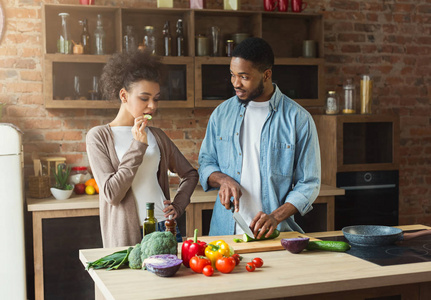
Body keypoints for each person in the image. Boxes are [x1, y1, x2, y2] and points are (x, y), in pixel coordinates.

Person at [198, 37, 321, 239]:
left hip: (276, 235)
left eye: (244, 77)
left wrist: (275, 217)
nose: (235, 83)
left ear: (266, 75)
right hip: (224, 236)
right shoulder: (221, 114)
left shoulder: (299, 119)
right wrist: (223, 179)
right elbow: (205, 163)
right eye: (232, 75)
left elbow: (309, 183)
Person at [86, 50, 198, 248]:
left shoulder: (157, 135)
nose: (152, 105)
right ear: (124, 95)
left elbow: (190, 174)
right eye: (144, 98)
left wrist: (178, 206)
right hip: (128, 233)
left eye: (156, 98)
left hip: (165, 227)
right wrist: (138, 145)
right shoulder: (99, 136)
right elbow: (112, 194)